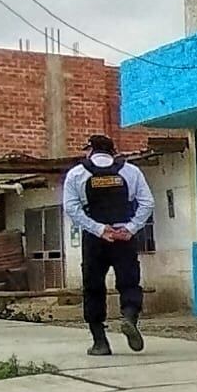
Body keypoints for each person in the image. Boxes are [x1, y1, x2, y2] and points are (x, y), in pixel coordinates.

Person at [63, 135, 155, 356]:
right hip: (124, 236)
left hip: (95, 239)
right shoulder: (130, 171)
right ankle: (129, 317)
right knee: (129, 281)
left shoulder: (77, 173)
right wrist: (131, 228)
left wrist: (98, 229)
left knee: (93, 287)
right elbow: (147, 203)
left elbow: (71, 208)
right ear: (113, 151)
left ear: (91, 151)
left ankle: (100, 342)